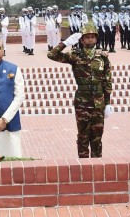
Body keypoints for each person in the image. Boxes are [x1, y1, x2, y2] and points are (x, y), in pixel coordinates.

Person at [47, 25, 113, 158]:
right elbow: (51, 55)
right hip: (82, 102)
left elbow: (107, 81)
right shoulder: (75, 56)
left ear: (96, 39)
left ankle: (97, 166)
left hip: (98, 102)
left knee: (97, 137)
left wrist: (107, 103)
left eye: (92, 37)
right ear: (82, 40)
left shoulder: (102, 57)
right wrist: (65, 43)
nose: (90, 40)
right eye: (87, 37)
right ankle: (83, 168)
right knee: (83, 136)